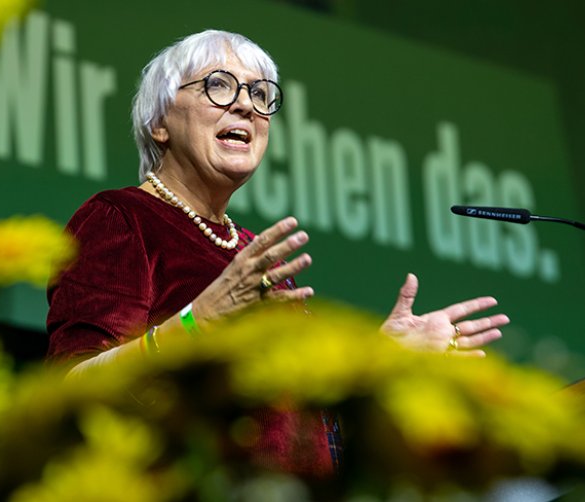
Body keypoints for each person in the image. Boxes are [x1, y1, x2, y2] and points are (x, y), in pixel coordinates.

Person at [46, 29, 509, 476]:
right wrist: (195, 322)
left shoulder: (253, 252)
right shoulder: (122, 218)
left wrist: (377, 363)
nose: (246, 105)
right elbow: (72, 392)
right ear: (159, 123)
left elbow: (291, 421)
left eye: (259, 93)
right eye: (219, 86)